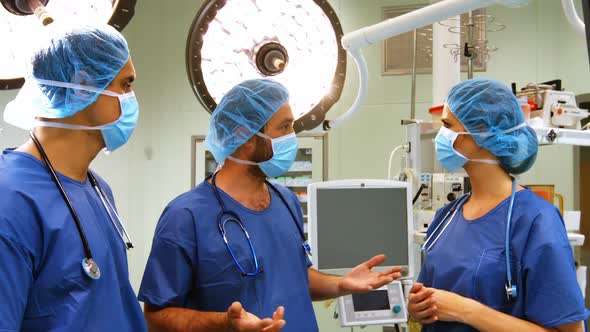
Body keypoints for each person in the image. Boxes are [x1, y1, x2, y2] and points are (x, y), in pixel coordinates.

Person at [138, 78, 402, 331]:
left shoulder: (286, 200)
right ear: (246, 135)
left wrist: (342, 284)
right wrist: (225, 324)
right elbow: (157, 317)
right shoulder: (186, 216)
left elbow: (294, 277)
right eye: (284, 127)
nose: (292, 136)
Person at [408, 78, 588, 331]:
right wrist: (417, 309)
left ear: (483, 134)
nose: (441, 135)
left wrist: (466, 311)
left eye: (448, 125)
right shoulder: (446, 217)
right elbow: (431, 299)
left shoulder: (536, 219)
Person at [0, 23, 146, 331]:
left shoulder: (98, 189)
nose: (132, 98)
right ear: (82, 85)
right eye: (126, 84)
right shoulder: (9, 199)